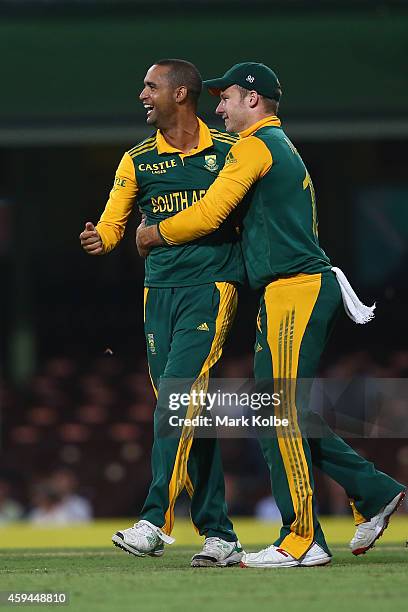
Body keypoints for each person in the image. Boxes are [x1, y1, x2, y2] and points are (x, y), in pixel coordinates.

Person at [136, 62, 406, 568]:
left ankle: (302, 540)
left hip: (295, 290)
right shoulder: (274, 146)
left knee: (278, 414)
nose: (217, 108)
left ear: (253, 100)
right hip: (292, 291)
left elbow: (210, 212)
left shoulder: (255, 146)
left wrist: (153, 234)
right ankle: (372, 491)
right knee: (278, 413)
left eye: (227, 98)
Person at [80, 59, 245, 567]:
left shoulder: (233, 152)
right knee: (187, 410)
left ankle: (155, 521)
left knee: (176, 400)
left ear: (180, 94)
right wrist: (100, 239)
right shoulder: (136, 160)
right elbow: (114, 222)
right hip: (159, 293)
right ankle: (221, 535)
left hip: (211, 288)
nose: (141, 94)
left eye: (150, 86)